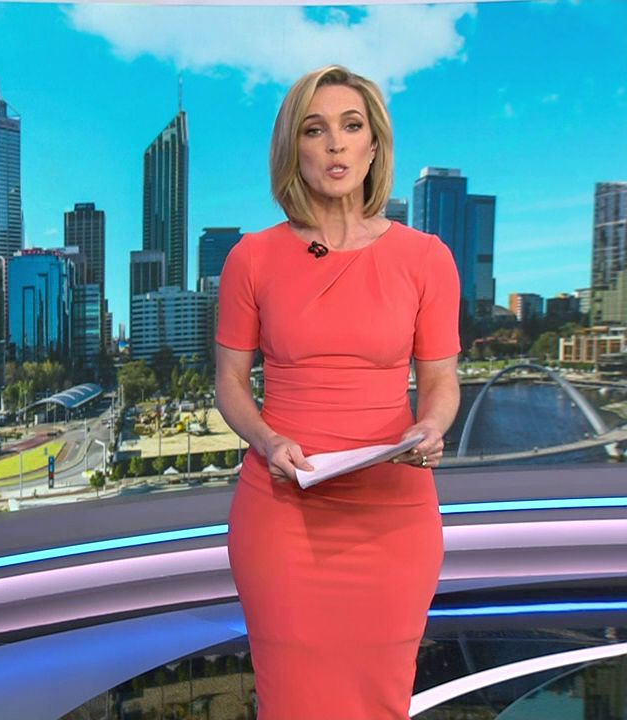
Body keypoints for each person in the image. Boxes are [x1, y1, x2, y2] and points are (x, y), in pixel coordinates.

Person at [214, 65, 462, 719]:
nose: (334, 144)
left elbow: (441, 381)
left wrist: (431, 426)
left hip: (394, 515)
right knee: (293, 699)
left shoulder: (427, 258)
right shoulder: (251, 259)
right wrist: (266, 440)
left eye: (351, 126)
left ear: (374, 144)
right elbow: (229, 383)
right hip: (283, 514)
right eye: (314, 129)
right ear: (293, 148)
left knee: (380, 698)